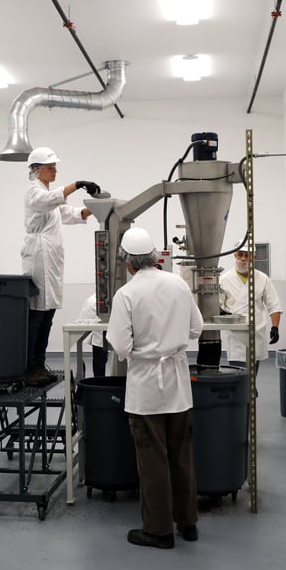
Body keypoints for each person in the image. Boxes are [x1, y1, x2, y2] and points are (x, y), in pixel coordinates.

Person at [106, 227, 204, 550]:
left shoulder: (126, 294)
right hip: (177, 382)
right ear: (153, 257)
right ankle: (187, 523)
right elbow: (196, 328)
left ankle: (159, 530)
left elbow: (120, 347)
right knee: (182, 456)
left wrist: (143, 350)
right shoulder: (177, 283)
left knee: (152, 459)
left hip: (146, 387)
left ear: (127, 262)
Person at [21, 146, 101, 387]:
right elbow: (49, 201)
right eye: (51, 166)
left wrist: (97, 208)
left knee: (48, 315)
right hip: (39, 257)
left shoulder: (47, 194)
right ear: (36, 170)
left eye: (55, 166)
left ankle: (39, 364)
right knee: (37, 315)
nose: (55, 170)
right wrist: (76, 184)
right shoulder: (34, 192)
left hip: (51, 260)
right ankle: (29, 367)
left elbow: (68, 213)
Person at [219, 241, 282, 374]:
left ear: (253, 256)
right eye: (240, 255)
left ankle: (251, 393)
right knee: (238, 372)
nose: (243, 259)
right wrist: (222, 313)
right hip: (235, 333)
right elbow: (217, 305)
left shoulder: (262, 279)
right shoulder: (224, 279)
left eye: (247, 255)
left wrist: (275, 327)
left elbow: (274, 305)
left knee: (253, 372)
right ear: (234, 255)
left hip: (256, 331)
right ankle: (244, 393)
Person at [78, 293, 109, 377]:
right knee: (100, 353)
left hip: (100, 310)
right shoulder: (95, 301)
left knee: (101, 353)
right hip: (96, 313)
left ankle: (99, 382)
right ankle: (99, 383)